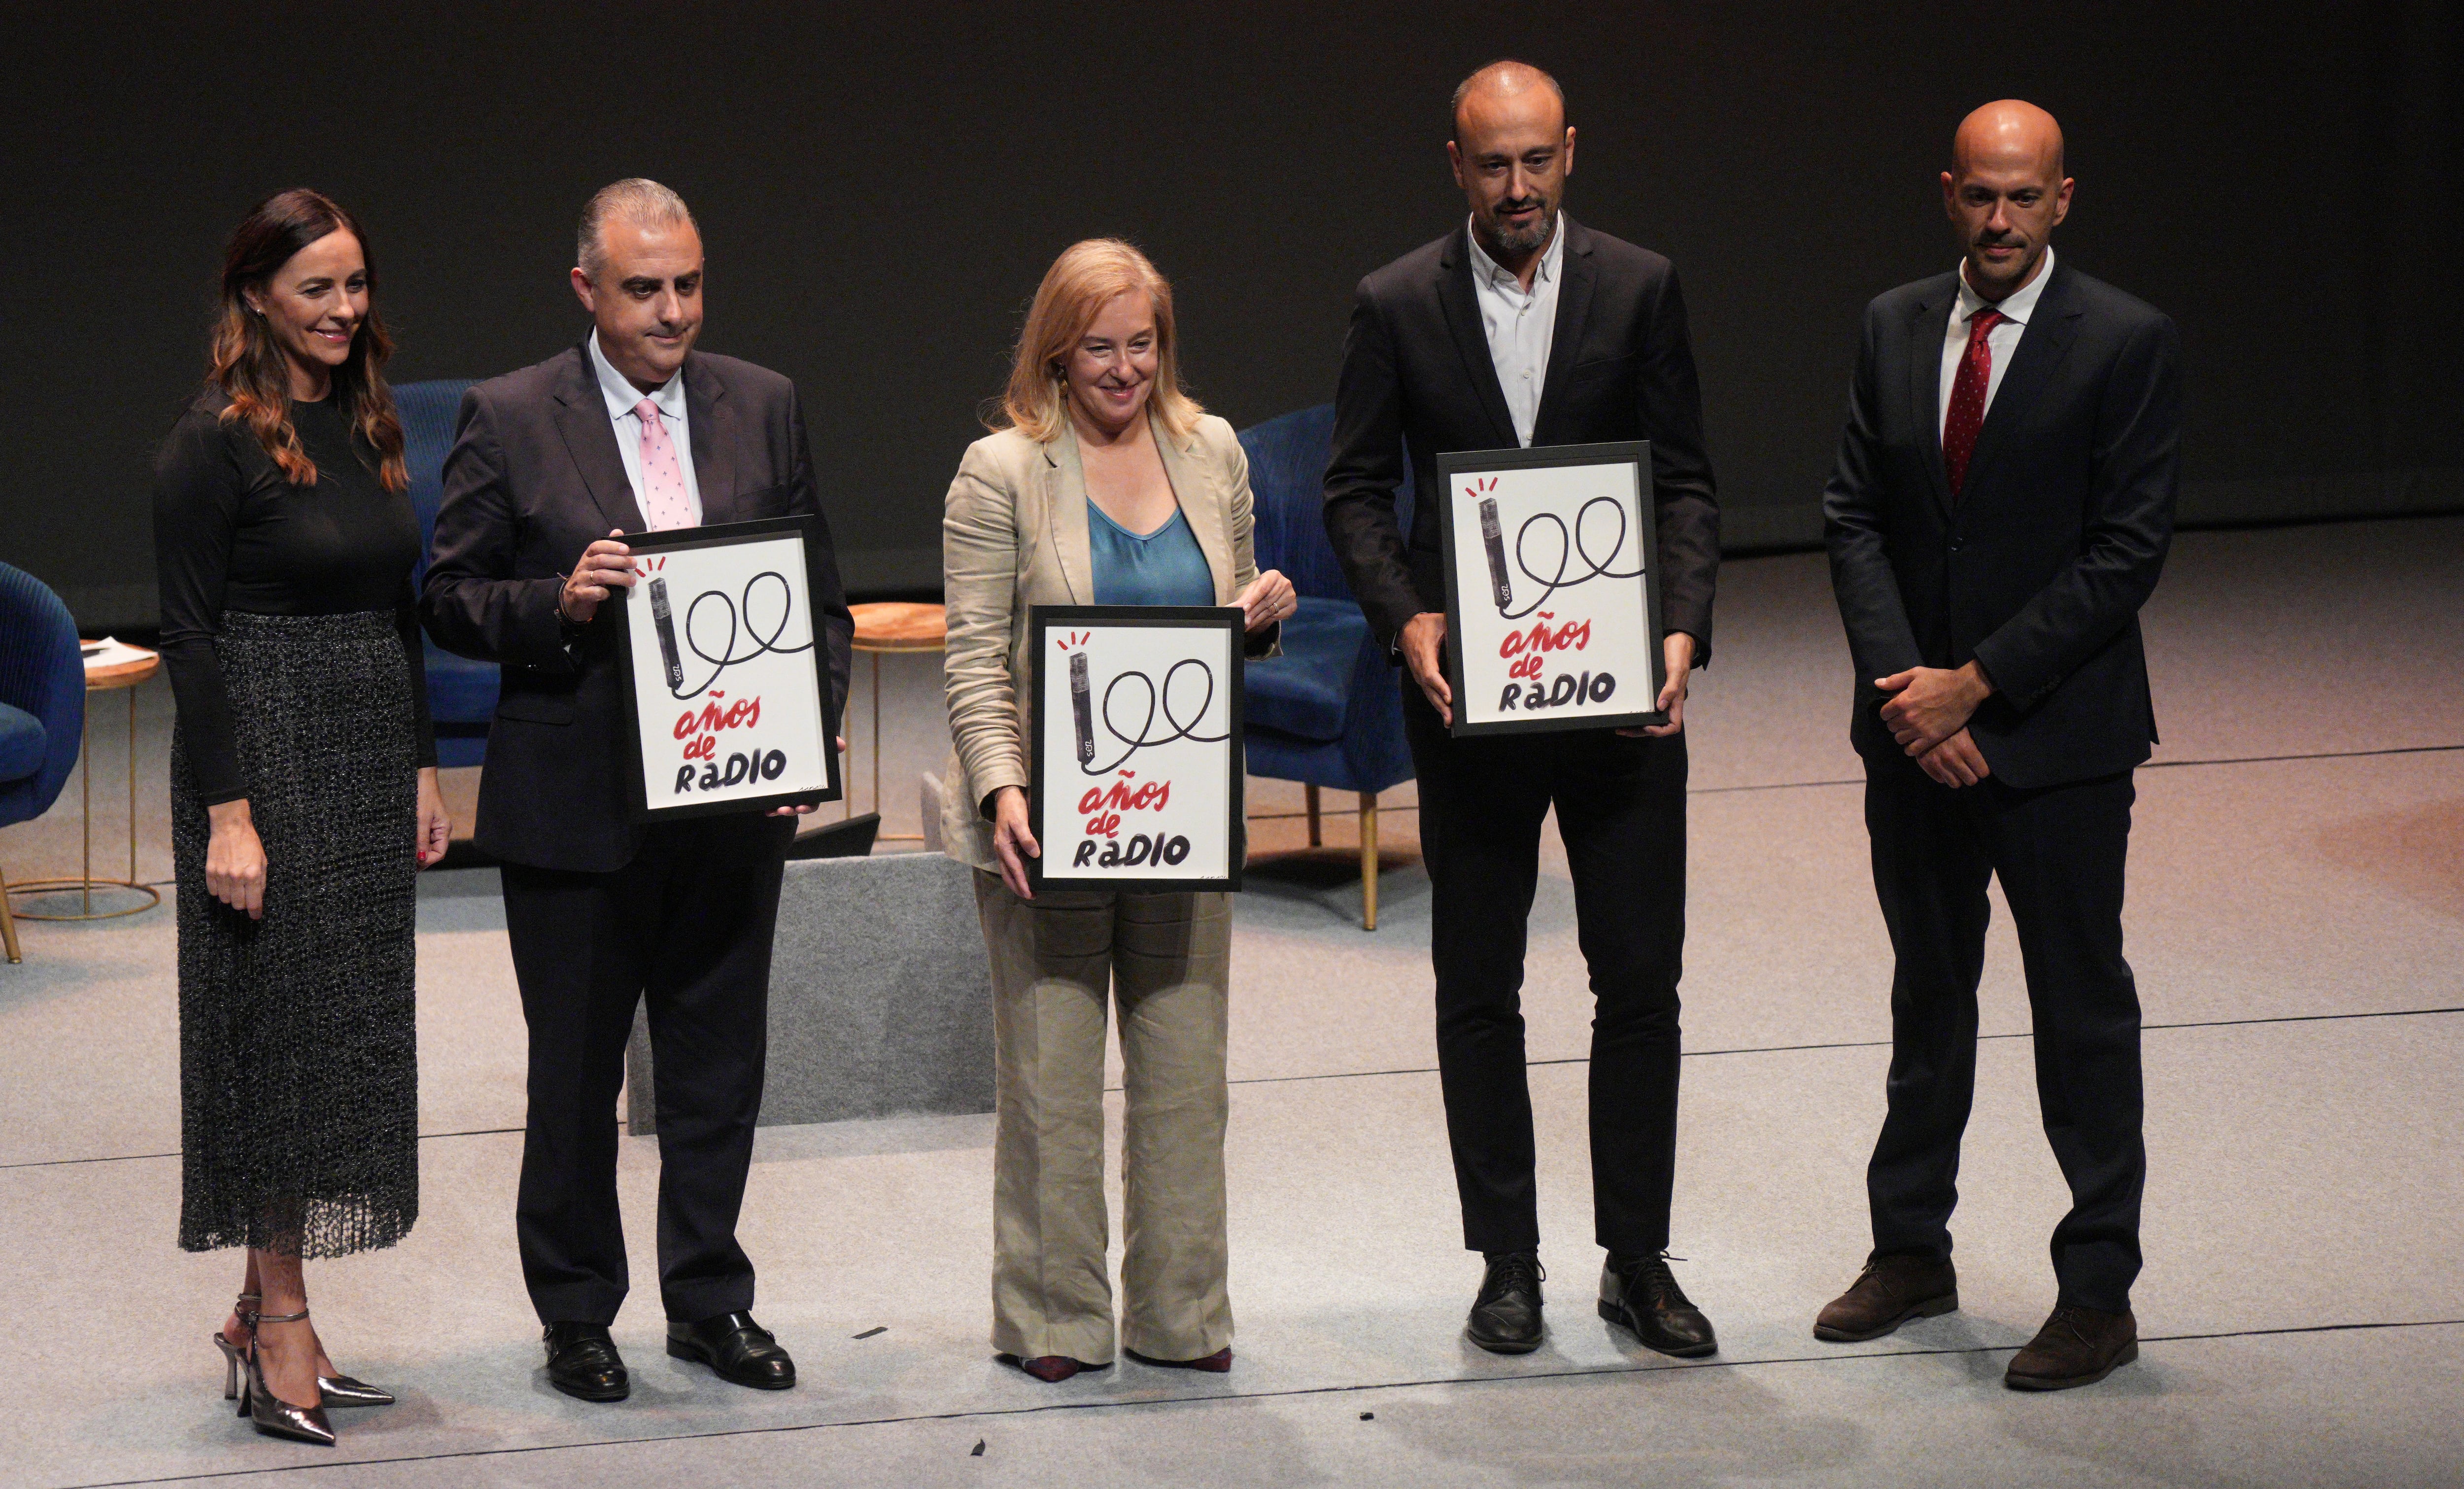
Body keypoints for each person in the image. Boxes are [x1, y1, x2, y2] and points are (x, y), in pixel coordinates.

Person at [420, 179, 853, 1402]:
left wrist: (799, 747)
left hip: (733, 799)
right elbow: (449, 598)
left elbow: (817, 600)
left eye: (689, 285)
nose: (673, 311)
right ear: (586, 291)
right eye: (644, 288)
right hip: (576, 804)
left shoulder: (762, 402)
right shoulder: (507, 415)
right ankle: (575, 1314)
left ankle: (710, 1297)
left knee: (719, 1066)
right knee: (573, 1073)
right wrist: (552, 602)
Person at [1322, 62, 1722, 1357]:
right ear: (1456, 163)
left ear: (1570, 154)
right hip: (1473, 707)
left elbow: (1689, 487)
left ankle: (1638, 1257)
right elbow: (1354, 491)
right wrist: (1410, 618)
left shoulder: (1642, 285)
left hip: (1618, 710)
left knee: (1641, 984)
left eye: (1536, 160)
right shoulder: (1395, 302)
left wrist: (1678, 629)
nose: (1517, 187)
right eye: (1493, 164)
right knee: (1478, 986)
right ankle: (1508, 1262)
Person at [1815, 101, 2180, 1391]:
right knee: (1929, 993)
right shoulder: (1892, 322)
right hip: (1914, 734)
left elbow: (2126, 552)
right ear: (1948, 191)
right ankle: (1911, 1245)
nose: (2001, 220)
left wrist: (1977, 685)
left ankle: (2098, 1290)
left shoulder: (2126, 341)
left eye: (2025, 197)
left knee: (2081, 1008)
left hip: (2057, 742)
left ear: (2064, 198)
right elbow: (1854, 512)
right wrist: (1909, 693)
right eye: (1981, 195)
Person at [940, 239, 1294, 1382]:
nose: (1125, 368)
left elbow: (1221, 628)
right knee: (1050, 1080)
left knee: (1187, 1077)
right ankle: (1054, 1317)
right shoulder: (999, 471)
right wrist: (1002, 790)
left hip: (1179, 820)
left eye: (1143, 344)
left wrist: (1261, 615)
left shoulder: (1212, 451)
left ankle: (1181, 1312)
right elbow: (975, 659)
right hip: (1049, 827)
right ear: (1056, 347)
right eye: (1100, 346)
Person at [155, 189, 450, 1447]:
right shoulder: (211, 441)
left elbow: (401, 609)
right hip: (262, 762)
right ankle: (282, 1316)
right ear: (258, 295)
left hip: (366, 749)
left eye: (356, 284)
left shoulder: (365, 418)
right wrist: (230, 812)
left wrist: (425, 771)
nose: (343, 309)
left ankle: (259, 1309)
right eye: (317, 288)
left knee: (338, 1042)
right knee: (276, 1047)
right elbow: (189, 634)